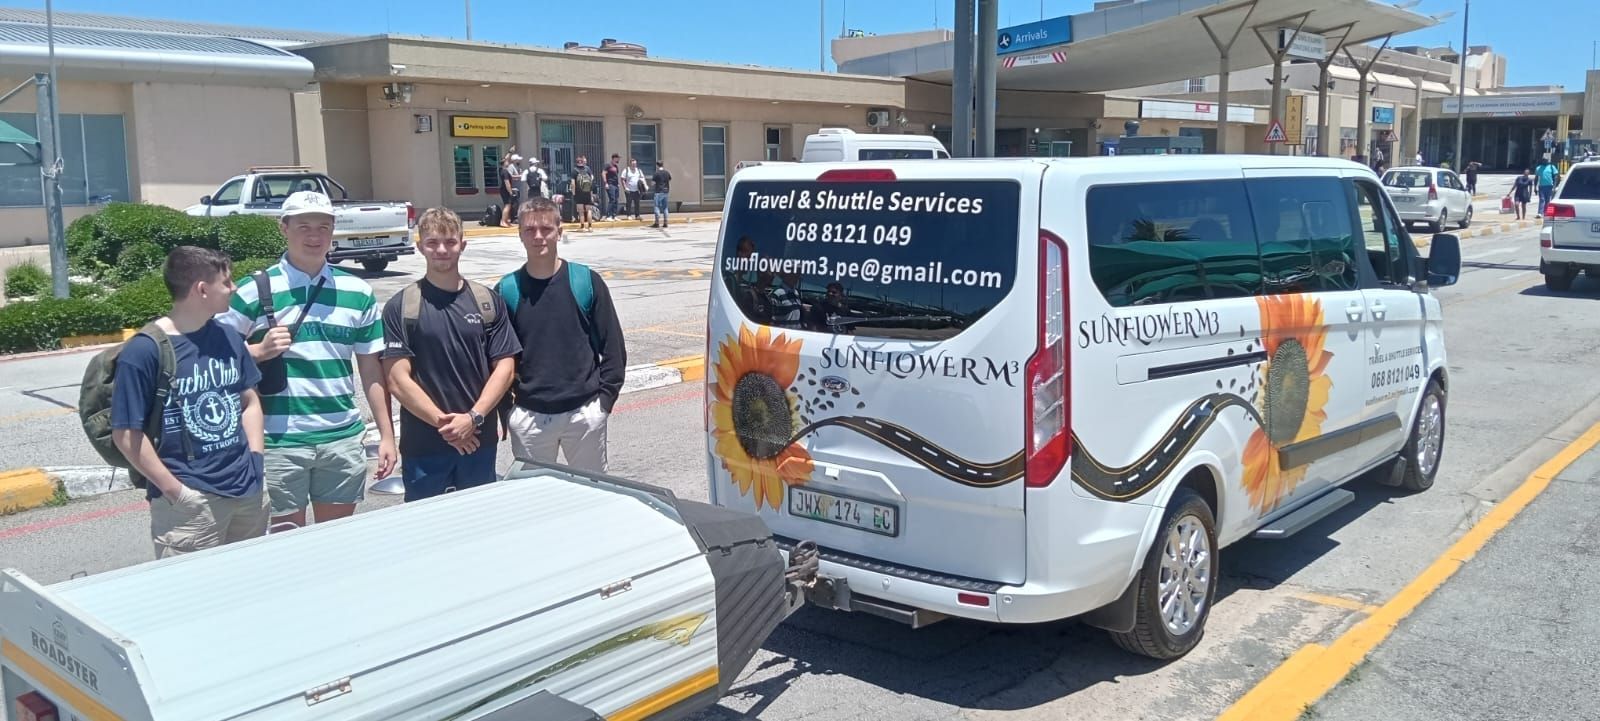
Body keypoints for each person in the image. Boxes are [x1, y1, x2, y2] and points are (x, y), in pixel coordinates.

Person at [219, 190, 397, 528]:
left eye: (323, 227)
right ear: (283, 228)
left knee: (335, 542)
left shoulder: (358, 292)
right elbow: (212, 356)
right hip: (277, 442)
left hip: (341, 438)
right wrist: (258, 351)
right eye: (303, 227)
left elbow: (371, 369)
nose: (314, 236)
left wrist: (386, 436)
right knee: (286, 547)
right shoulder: (254, 289)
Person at [113, 246, 267, 558]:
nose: (233, 288)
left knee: (251, 592)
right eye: (226, 282)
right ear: (202, 289)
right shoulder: (144, 351)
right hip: (190, 505)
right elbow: (126, 434)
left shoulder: (228, 336)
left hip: (247, 491)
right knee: (194, 601)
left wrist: (256, 462)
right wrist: (178, 493)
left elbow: (249, 402)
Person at [382, 208, 521, 501]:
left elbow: (505, 367)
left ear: (463, 244)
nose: (442, 250)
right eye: (432, 243)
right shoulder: (402, 306)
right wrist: (448, 426)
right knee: (427, 533)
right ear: (419, 246)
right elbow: (397, 379)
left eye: (449, 241)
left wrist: (473, 418)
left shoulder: (486, 302)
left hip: (478, 441)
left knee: (477, 528)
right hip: (424, 446)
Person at [501, 197, 626, 472]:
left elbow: (614, 347)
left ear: (560, 230)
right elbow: (497, 359)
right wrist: (508, 411)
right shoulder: (507, 289)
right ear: (519, 234)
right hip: (528, 416)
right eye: (529, 230)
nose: (538, 237)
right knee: (535, 501)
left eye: (546, 229)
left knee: (594, 495)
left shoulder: (585, 282)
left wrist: (603, 403)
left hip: (584, 414)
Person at [570, 155, 596, 232]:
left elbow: (573, 183)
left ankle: (582, 227)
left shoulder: (574, 171)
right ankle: (590, 227)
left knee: (581, 211)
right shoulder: (587, 169)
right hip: (587, 192)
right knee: (589, 210)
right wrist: (591, 192)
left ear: (576, 162)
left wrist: (574, 193)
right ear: (582, 161)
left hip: (579, 193)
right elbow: (591, 180)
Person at [651, 161, 672, 229]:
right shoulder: (666, 172)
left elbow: (653, 183)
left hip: (658, 191)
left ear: (657, 166)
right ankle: (665, 222)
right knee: (665, 207)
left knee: (657, 206)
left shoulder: (656, 173)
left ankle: (657, 222)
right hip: (666, 191)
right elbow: (669, 179)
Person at [498, 155, 517, 227]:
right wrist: (510, 192)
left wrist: (510, 152)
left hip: (503, 190)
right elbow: (507, 182)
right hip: (505, 190)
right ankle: (503, 221)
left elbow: (505, 158)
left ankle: (506, 221)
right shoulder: (505, 171)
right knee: (507, 205)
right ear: (504, 163)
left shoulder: (501, 170)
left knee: (508, 205)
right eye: (507, 161)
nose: (508, 162)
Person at [603, 154, 622, 221]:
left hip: (616, 185)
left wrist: (618, 184)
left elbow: (616, 176)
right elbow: (603, 173)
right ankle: (608, 216)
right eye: (618, 158)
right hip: (610, 184)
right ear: (614, 158)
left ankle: (614, 215)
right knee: (612, 199)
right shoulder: (608, 165)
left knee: (616, 200)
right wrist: (606, 183)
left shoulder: (616, 166)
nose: (619, 160)